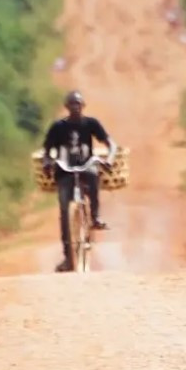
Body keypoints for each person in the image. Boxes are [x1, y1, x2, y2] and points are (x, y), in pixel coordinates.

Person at [43, 89, 115, 272]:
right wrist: (47, 162)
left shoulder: (91, 124)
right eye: (72, 104)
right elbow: (47, 150)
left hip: (86, 165)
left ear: (83, 106)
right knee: (64, 211)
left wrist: (110, 157)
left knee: (93, 177)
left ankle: (95, 217)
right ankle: (69, 258)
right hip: (65, 169)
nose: (75, 107)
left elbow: (110, 143)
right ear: (66, 107)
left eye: (78, 104)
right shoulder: (58, 127)